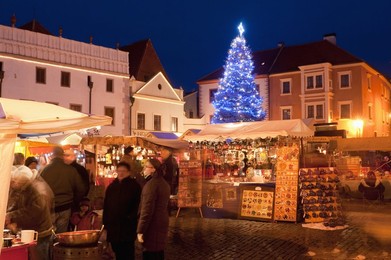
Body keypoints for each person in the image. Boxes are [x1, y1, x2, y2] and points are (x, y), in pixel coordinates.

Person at [6, 166, 54, 260]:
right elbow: (21, 205)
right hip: (35, 231)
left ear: (23, 182)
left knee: (39, 257)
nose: (14, 184)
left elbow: (33, 213)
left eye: (16, 182)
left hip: (41, 233)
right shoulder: (27, 187)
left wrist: (12, 216)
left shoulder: (37, 190)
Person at [40, 146, 86, 233]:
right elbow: (81, 189)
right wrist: (74, 201)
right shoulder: (71, 170)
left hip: (49, 207)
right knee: (61, 235)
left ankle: (51, 246)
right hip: (66, 206)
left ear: (53, 155)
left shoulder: (45, 170)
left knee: (50, 234)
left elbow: (39, 189)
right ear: (62, 155)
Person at [103, 162, 141, 260]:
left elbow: (138, 204)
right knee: (116, 249)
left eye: (123, 171)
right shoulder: (112, 187)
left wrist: (131, 216)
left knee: (127, 250)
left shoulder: (134, 186)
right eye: (119, 171)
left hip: (127, 225)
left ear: (129, 172)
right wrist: (105, 223)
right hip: (113, 225)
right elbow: (106, 205)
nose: (121, 173)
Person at [137, 159, 171, 260]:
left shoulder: (151, 185)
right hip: (161, 221)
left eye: (146, 166)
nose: (144, 169)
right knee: (159, 251)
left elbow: (146, 210)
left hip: (152, 225)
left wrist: (140, 230)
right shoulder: (163, 183)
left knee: (151, 253)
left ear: (153, 169)